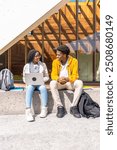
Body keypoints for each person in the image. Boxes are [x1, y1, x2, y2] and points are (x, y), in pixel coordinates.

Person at [50, 45, 83, 118]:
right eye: (57, 54)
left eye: (59, 54)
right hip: (59, 83)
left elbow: (75, 75)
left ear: (64, 55)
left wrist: (67, 79)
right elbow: (53, 75)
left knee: (79, 82)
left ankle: (73, 107)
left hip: (69, 83)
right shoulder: (55, 62)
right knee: (52, 83)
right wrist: (59, 79)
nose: (57, 56)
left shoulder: (74, 61)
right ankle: (60, 107)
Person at [23, 49, 49, 122]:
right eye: (36, 56)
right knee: (29, 88)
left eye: (39, 56)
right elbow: (24, 78)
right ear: (32, 57)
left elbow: (47, 77)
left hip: (40, 83)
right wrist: (28, 81)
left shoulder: (43, 65)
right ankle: (28, 111)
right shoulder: (27, 66)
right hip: (31, 84)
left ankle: (44, 109)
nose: (38, 57)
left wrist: (41, 79)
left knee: (43, 88)